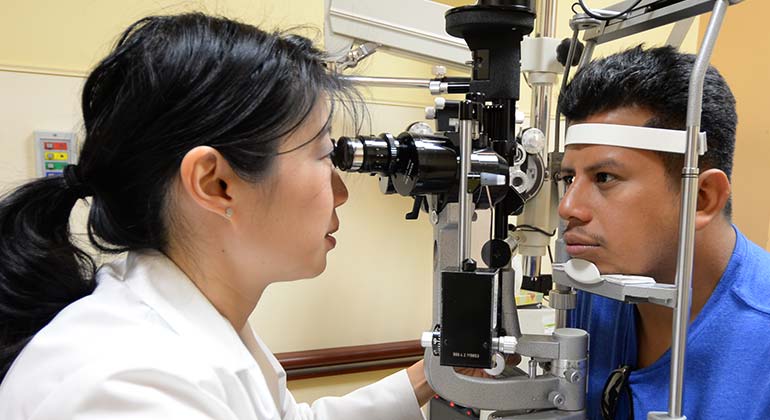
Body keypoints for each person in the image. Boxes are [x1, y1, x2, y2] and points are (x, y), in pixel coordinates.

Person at [0, 13, 433, 420]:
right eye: (321, 154)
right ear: (215, 184)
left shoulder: (186, 326)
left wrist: (429, 376)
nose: (340, 193)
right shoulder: (126, 389)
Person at [559, 45, 770, 419]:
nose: (568, 208)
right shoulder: (598, 293)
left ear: (701, 199)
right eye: (567, 178)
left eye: (604, 177)